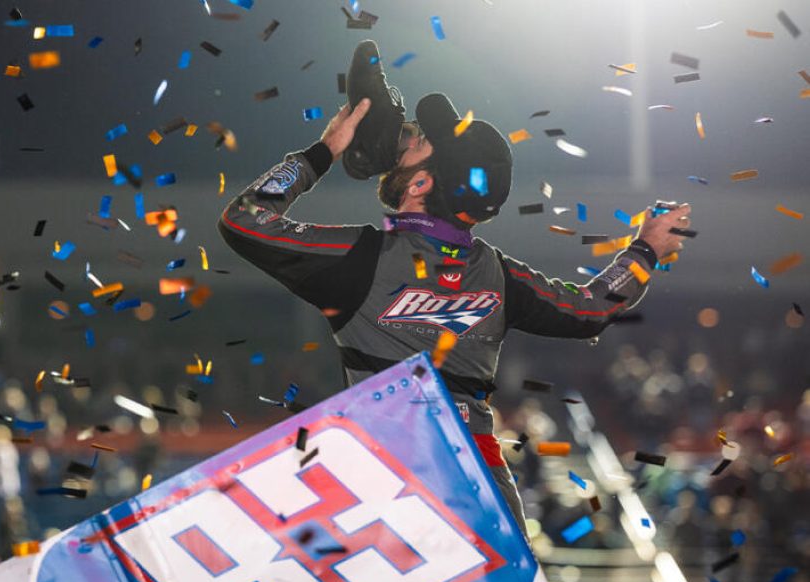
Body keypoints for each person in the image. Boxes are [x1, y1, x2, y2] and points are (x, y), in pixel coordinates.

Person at [218, 40, 691, 536]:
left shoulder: (362, 259)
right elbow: (591, 308)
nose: (403, 142)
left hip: (385, 494)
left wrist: (325, 151)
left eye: (416, 143)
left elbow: (245, 221)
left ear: (420, 185)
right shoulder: (499, 275)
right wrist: (646, 251)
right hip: (482, 496)